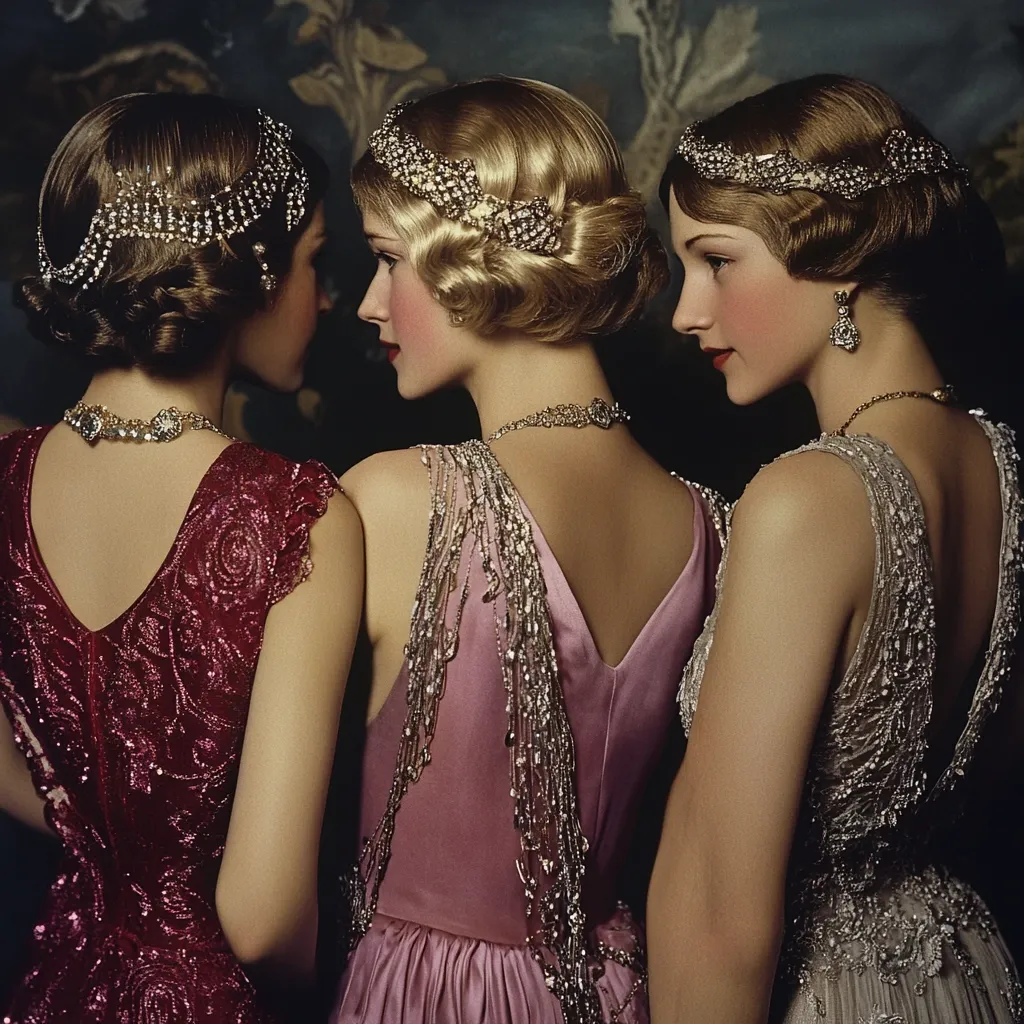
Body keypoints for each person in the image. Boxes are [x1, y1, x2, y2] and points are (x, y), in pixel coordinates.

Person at [329, 77, 725, 1024]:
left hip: (424, 999)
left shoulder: (399, 499)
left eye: (387, 259)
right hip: (619, 993)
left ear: (475, 258)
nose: (369, 304)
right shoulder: (712, 524)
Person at [646, 74, 1023, 1024]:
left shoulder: (808, 499)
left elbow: (725, 918)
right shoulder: (1005, 470)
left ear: (839, 255)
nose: (687, 312)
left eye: (716, 260)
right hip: (963, 973)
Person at [0, 92, 363, 1022]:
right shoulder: (293, 512)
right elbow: (262, 920)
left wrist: (108, 844)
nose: (326, 298)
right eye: (315, 261)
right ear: (250, 271)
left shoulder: (7, 476)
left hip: (57, 980)